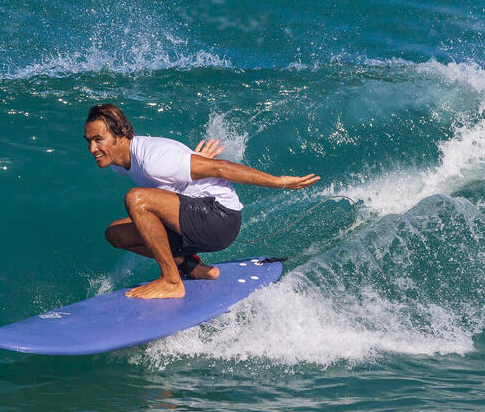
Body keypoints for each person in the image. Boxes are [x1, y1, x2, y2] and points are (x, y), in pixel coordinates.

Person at [85, 103, 320, 299]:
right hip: (195, 214)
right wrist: (190, 161)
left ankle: (171, 281)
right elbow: (173, 178)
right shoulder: (119, 163)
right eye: (89, 140)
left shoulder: (152, 159)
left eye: (99, 139)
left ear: (120, 135)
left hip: (220, 217)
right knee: (116, 234)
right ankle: (194, 268)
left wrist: (280, 182)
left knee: (137, 199)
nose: (92, 148)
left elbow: (220, 168)